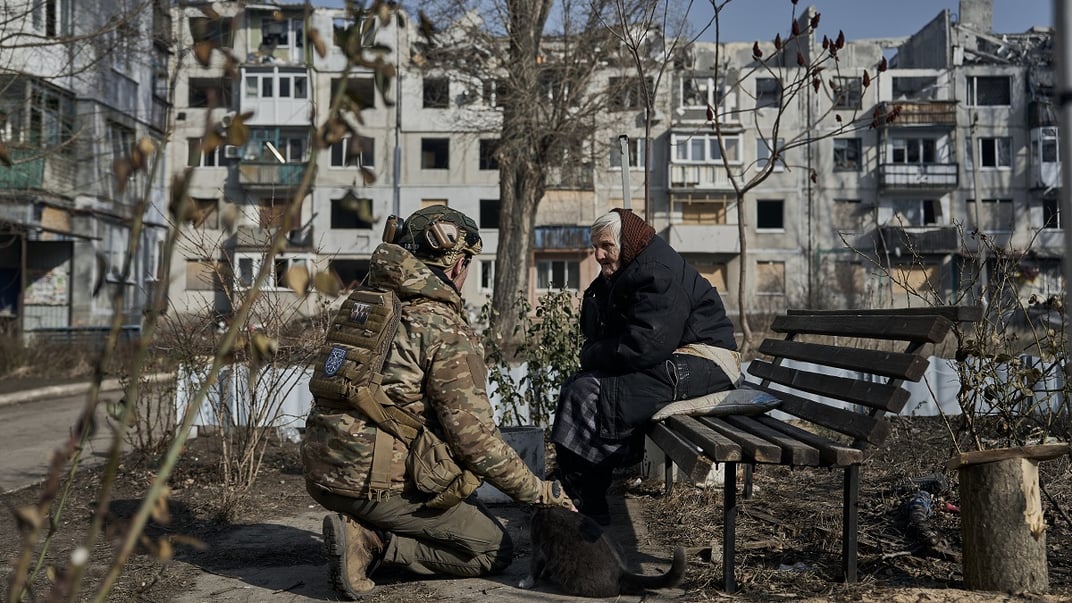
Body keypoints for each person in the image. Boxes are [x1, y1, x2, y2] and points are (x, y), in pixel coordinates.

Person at [301, 205, 572, 600]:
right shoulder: (442, 326)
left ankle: (367, 522)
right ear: (458, 263)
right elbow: (476, 440)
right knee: (491, 549)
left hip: (320, 469)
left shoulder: (363, 304)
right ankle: (372, 542)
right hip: (369, 483)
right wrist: (541, 493)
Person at [551, 208, 739, 525]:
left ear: (627, 242)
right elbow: (610, 332)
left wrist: (593, 354)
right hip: (675, 355)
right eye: (595, 247)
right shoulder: (629, 267)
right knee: (577, 386)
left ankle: (587, 501)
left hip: (707, 360)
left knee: (595, 393)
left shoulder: (657, 271)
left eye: (606, 246)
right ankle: (577, 489)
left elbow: (645, 345)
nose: (598, 255)